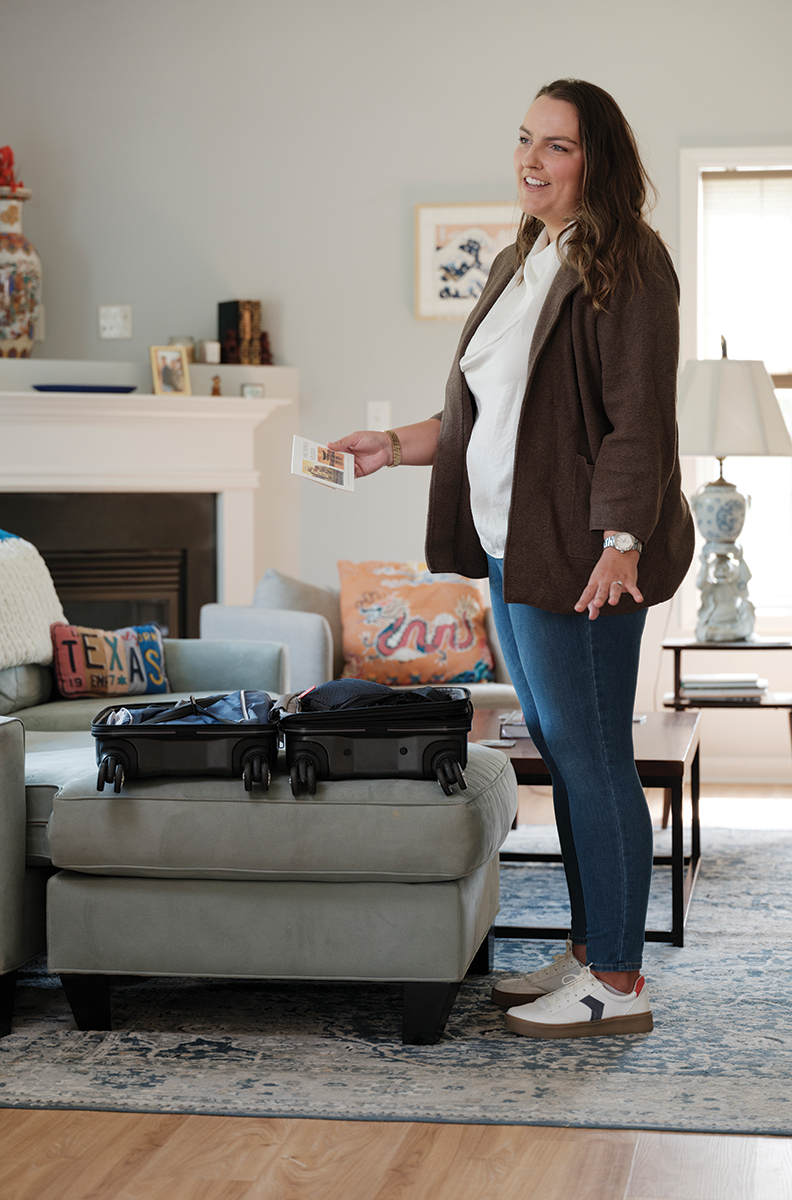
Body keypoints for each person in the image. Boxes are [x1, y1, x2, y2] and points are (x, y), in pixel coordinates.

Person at [328, 79, 694, 1039]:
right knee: (568, 758)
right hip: (512, 546)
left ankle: (618, 983)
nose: (532, 159)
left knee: (594, 758)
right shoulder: (523, 258)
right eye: (525, 139)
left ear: (598, 160)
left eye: (558, 146)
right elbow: (478, 418)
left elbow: (638, 422)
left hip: (582, 557)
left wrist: (621, 545)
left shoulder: (630, 263)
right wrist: (390, 447)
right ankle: (589, 948)